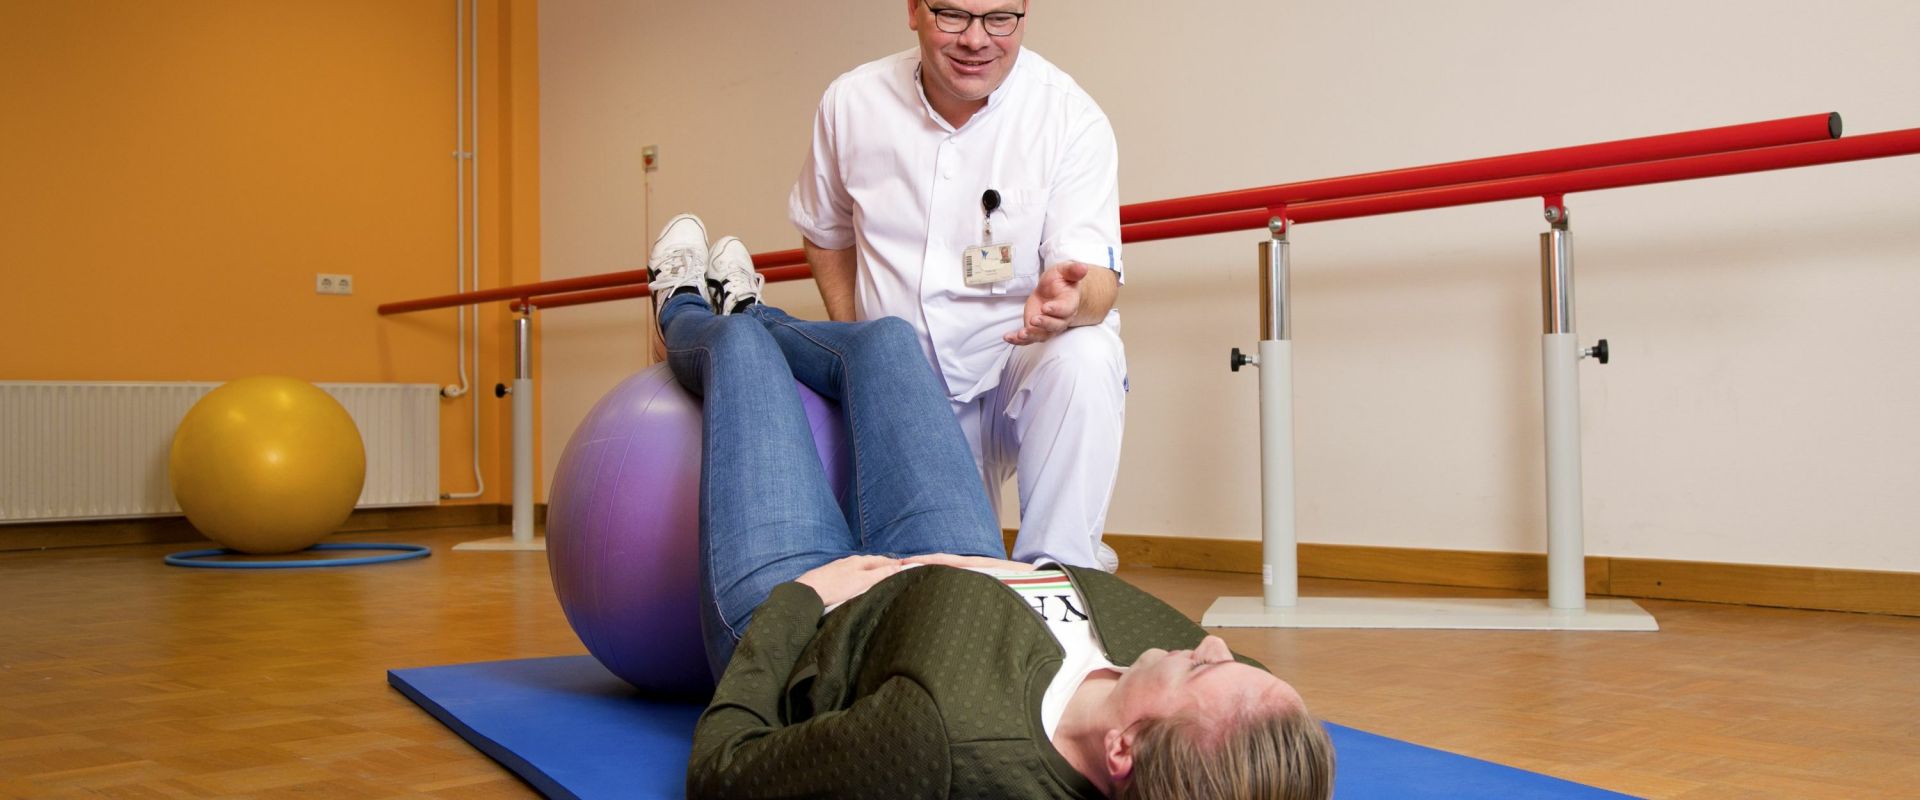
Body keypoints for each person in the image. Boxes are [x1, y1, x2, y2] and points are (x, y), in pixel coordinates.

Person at [644, 214, 1333, 799]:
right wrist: (985, 571)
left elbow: (722, 773)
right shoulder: (1229, 724)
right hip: (963, 572)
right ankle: (756, 311)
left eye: (1205, 666)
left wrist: (799, 599)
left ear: (1122, 750)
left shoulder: (943, 742)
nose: (1214, 644)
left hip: (812, 614)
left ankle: (686, 311)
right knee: (887, 342)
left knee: (742, 357)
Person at [789, 0, 1128, 571]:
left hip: (1011, 370)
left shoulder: (1070, 117)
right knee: (944, 586)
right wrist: (857, 341)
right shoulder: (852, 104)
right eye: (953, 15)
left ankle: (1064, 573)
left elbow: (1096, 277)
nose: (977, 39)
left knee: (1088, 353)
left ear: (1024, 13)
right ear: (914, 10)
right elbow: (825, 230)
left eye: (1000, 18)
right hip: (907, 387)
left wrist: (1073, 303)